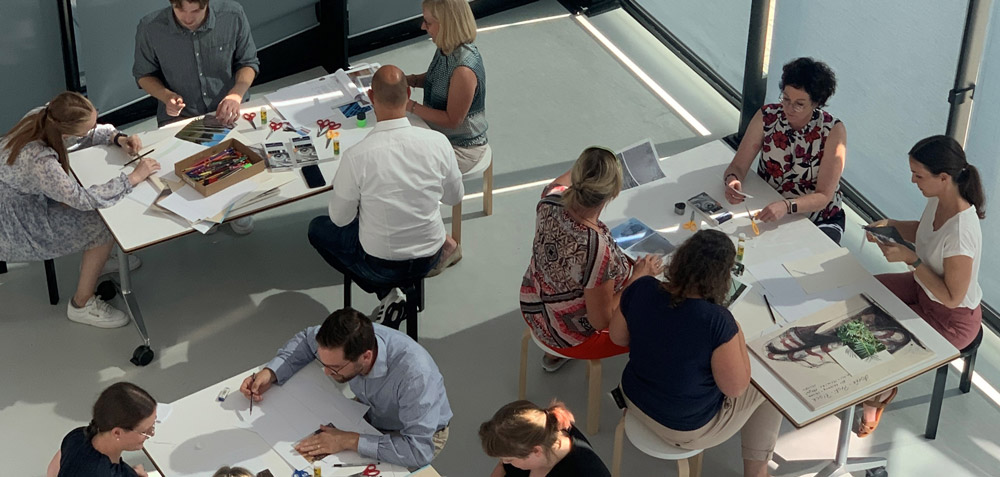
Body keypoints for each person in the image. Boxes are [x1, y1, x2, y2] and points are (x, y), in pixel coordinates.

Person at [609, 230, 783, 477]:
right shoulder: (717, 321)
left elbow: (617, 337)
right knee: (772, 388)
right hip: (681, 428)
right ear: (721, 278)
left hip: (632, 397)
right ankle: (757, 473)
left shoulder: (642, 287)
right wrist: (736, 331)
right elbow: (736, 389)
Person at [308, 65, 463, 318]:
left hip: (380, 264)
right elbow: (454, 197)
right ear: (409, 93)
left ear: (371, 97)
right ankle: (392, 294)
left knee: (317, 228)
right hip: (430, 256)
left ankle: (386, 291)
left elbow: (340, 219)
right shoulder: (438, 143)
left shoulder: (356, 156)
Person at [857, 135, 985, 437]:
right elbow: (922, 230)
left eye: (918, 175)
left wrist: (911, 260)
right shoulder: (938, 199)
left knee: (875, 334)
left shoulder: (961, 233)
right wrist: (890, 225)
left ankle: (877, 393)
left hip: (951, 319)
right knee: (863, 294)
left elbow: (952, 297)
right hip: (923, 290)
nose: (912, 181)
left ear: (943, 178)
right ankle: (869, 380)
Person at [0, 92, 160, 329]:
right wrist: (133, 178)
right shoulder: (40, 162)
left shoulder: (44, 115)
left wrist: (118, 137)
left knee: (99, 212)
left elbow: (89, 133)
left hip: (23, 200)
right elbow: (82, 199)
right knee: (102, 223)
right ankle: (81, 304)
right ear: (66, 134)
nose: (92, 129)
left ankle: (98, 260)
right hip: (15, 225)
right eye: (87, 129)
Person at [239, 308, 453, 469]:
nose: (326, 372)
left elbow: (418, 450)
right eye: (324, 363)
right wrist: (271, 372)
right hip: (369, 411)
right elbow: (306, 340)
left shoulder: (415, 377)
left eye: (335, 368)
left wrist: (348, 440)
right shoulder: (347, 341)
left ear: (366, 356)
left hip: (413, 435)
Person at [519, 146, 663, 371]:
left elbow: (562, 180)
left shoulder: (550, 199)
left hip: (533, 302)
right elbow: (602, 321)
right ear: (613, 193)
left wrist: (593, 164)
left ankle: (552, 356)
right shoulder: (596, 251)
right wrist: (638, 277)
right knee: (661, 319)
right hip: (569, 335)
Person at [133, 0, 259, 234]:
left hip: (227, 110)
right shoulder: (150, 27)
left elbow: (248, 62)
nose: (188, 18)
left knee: (237, 164)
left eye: (196, 11)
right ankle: (204, 213)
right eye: (180, 10)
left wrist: (236, 93)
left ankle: (238, 208)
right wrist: (165, 96)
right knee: (190, 174)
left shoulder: (233, 15)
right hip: (181, 116)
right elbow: (143, 74)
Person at [723, 57, 848, 244]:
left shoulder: (832, 131)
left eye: (799, 104)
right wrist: (732, 180)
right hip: (769, 205)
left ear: (816, 103)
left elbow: (823, 196)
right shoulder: (768, 116)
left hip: (819, 218)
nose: (789, 108)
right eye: (786, 99)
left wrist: (786, 206)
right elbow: (738, 166)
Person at [406, 0, 489, 276]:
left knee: (412, 177)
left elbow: (453, 119)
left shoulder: (464, 68)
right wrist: (410, 80)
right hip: (437, 134)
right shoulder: (444, 49)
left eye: (428, 22)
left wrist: (410, 106)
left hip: (462, 147)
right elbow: (434, 78)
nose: (423, 26)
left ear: (448, 25)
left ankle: (447, 246)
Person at [46, 382, 157, 477]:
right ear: (117, 433)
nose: (152, 433)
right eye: (144, 431)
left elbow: (53, 471)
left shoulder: (77, 436)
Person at [479, 400, 611, 477]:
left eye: (509, 460)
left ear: (536, 451)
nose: (505, 462)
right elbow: (502, 467)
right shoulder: (543, 430)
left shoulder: (588, 472)